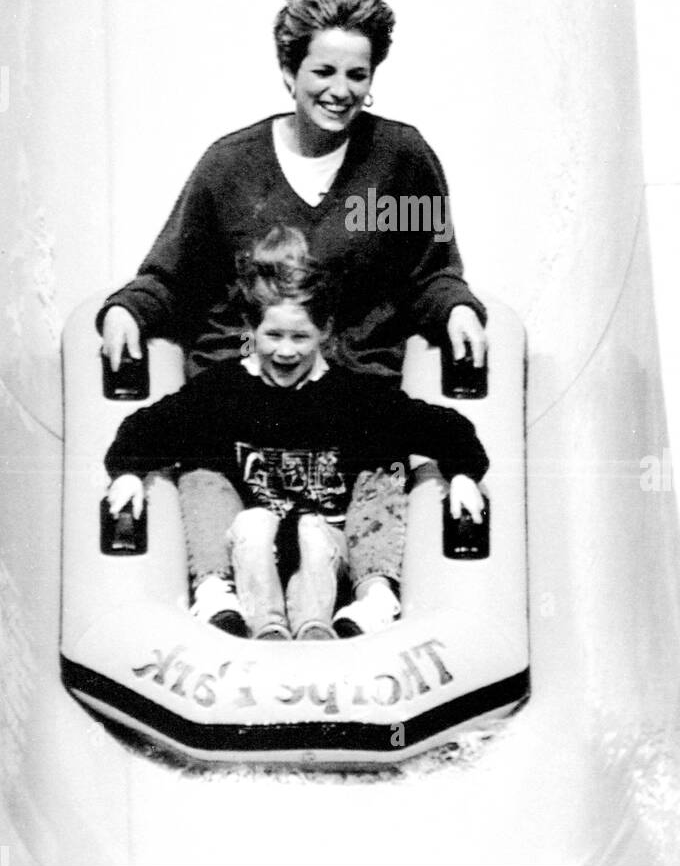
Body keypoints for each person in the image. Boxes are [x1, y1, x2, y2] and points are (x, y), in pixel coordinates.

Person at [98, 0, 487, 633]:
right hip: (243, 413)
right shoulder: (231, 168)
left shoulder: (399, 161)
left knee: (370, 483)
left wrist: (453, 306)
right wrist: (126, 310)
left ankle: (361, 594)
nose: (340, 90)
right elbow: (174, 275)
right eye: (323, 70)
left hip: (347, 403)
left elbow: (431, 268)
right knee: (211, 482)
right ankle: (221, 595)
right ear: (288, 69)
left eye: (357, 75)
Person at [105, 226, 487, 641]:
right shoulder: (223, 390)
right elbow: (147, 427)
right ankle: (219, 594)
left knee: (385, 474)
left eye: (300, 336)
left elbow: (444, 427)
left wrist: (464, 474)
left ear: (324, 331)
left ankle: (373, 597)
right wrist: (127, 473)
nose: (286, 351)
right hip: (249, 549)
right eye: (274, 335)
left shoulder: (352, 395)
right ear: (251, 329)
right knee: (203, 478)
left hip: (330, 550)